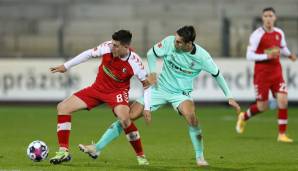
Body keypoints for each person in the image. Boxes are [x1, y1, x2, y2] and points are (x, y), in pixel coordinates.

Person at [78, 25, 241, 167]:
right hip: (158, 89)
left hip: (180, 94)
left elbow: (217, 74)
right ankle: (97, 148)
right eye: (175, 39)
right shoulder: (170, 42)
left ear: (188, 44)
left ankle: (200, 157)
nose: (175, 43)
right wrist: (153, 72)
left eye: (179, 42)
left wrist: (229, 96)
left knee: (192, 118)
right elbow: (151, 53)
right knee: (127, 117)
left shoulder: (203, 57)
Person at [49, 29, 151, 165]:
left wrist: (147, 107)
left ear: (126, 47)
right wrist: (66, 66)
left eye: (116, 45)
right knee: (63, 107)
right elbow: (88, 54)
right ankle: (63, 152)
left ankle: (141, 156)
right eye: (112, 44)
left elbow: (147, 85)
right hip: (97, 89)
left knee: (125, 120)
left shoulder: (135, 62)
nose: (112, 47)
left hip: (117, 93)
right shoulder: (107, 47)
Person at [236, 7, 297, 142]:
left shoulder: (279, 33)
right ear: (262, 18)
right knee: (262, 106)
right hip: (262, 73)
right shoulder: (257, 35)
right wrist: (267, 55)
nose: (268, 18)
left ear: (275, 18)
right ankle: (244, 116)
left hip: (276, 72)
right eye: (266, 16)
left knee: (283, 100)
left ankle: (282, 134)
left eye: (271, 16)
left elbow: (282, 47)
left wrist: (289, 55)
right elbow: (249, 55)